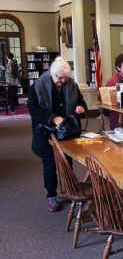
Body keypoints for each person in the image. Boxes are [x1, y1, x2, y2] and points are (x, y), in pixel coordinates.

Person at [27, 57, 87, 212]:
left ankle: (70, 189)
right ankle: (51, 195)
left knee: (68, 161)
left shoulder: (71, 85)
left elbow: (81, 103)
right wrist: (53, 118)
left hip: (66, 131)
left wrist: (80, 108)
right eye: (58, 77)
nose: (62, 81)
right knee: (50, 164)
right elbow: (34, 109)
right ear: (51, 73)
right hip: (45, 132)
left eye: (64, 78)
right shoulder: (38, 86)